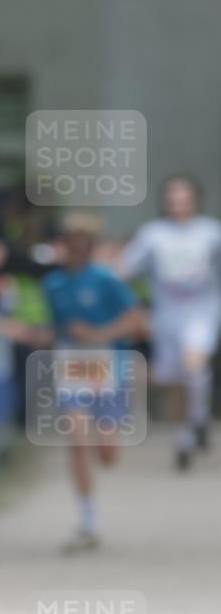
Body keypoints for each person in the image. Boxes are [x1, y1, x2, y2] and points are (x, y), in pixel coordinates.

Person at [41, 214, 147, 553]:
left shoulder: (105, 279)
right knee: (77, 437)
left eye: (84, 242)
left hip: (107, 367)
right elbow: (50, 328)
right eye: (72, 241)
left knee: (107, 453)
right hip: (71, 366)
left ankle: (104, 450)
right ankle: (88, 520)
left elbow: (137, 321)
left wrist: (99, 334)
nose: (77, 248)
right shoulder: (53, 284)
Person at [121, 175, 221, 469]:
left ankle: (199, 418)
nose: (178, 205)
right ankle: (183, 438)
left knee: (194, 366)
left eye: (184, 198)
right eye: (173, 199)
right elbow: (125, 268)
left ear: (195, 200)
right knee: (175, 381)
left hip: (202, 312)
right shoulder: (153, 234)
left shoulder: (211, 232)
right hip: (166, 317)